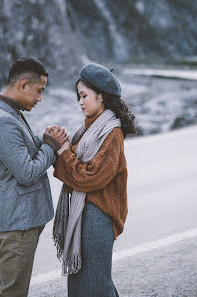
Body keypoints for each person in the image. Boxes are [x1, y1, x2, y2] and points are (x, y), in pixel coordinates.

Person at [0, 57, 68, 297]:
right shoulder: (3, 122)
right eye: (39, 91)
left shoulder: (12, 113)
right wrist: (50, 146)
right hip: (17, 224)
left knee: (13, 290)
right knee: (12, 293)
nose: (40, 98)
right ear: (22, 85)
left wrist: (46, 143)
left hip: (21, 222)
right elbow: (27, 173)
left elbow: (24, 160)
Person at [52, 63, 136, 296]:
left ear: (102, 97)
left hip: (98, 218)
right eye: (78, 96)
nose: (80, 102)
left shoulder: (111, 132)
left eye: (84, 96)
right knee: (88, 286)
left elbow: (91, 177)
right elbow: (76, 164)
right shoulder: (89, 130)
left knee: (95, 286)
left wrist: (64, 152)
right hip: (86, 216)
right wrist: (61, 148)